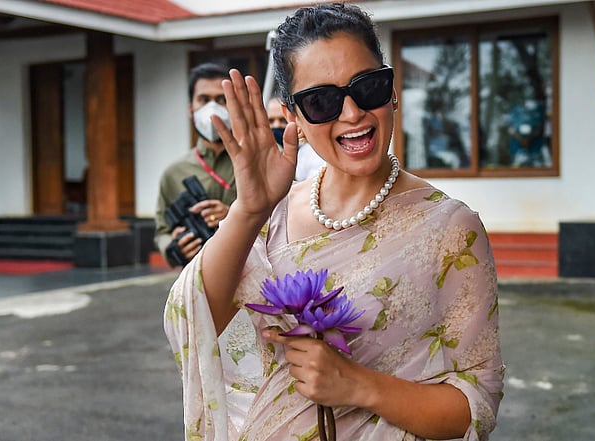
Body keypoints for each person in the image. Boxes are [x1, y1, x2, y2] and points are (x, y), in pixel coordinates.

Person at [164, 4, 504, 440]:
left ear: (392, 91)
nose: (352, 113)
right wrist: (248, 211)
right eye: (321, 100)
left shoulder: (451, 229)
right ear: (293, 117)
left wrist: (359, 385)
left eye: (368, 87)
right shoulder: (273, 215)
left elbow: (476, 405)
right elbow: (193, 321)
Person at [154, 62, 237, 267]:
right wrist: (174, 247)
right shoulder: (174, 173)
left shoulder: (258, 161)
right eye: (204, 100)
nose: (212, 108)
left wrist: (234, 216)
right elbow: (162, 231)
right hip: (196, 276)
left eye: (221, 99)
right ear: (191, 109)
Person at [267, 95, 325, 181]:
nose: (277, 125)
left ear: (293, 119)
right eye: (271, 121)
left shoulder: (311, 154)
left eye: (282, 120)